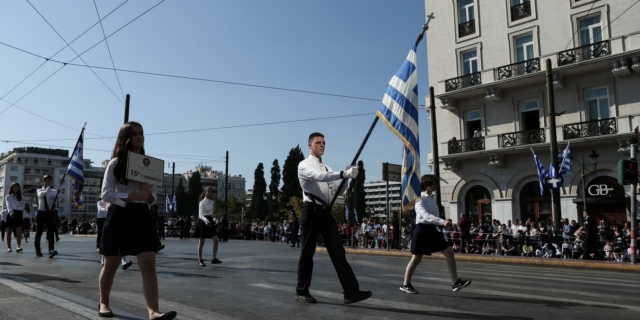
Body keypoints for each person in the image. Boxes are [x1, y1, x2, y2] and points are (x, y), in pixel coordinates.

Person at [98, 121, 176, 319]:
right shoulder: (115, 163)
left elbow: (153, 198)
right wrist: (132, 196)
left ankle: (153, 312)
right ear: (126, 138)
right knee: (111, 264)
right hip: (119, 215)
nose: (139, 137)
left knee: (149, 263)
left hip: (142, 216)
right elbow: (106, 194)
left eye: (141, 133)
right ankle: (104, 303)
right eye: (134, 134)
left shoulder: (149, 165)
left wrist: (148, 194)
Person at [295, 132, 371, 304]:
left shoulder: (327, 167)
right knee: (307, 252)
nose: (322, 145)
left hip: (325, 214)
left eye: (324, 143)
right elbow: (319, 177)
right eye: (318, 142)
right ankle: (301, 290)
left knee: (338, 252)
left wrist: (348, 178)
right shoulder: (304, 165)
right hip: (311, 211)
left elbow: (337, 191)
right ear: (310, 146)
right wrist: (344, 173)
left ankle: (351, 292)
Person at [400, 175, 472, 294]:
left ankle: (455, 282)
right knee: (416, 258)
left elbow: (433, 216)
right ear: (425, 185)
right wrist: (442, 221)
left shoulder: (432, 199)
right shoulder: (420, 199)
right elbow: (426, 216)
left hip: (431, 229)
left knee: (449, 251)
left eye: (435, 183)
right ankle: (405, 284)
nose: (435, 185)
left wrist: (443, 221)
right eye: (432, 183)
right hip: (421, 230)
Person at [196, 187, 222, 266]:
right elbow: (200, 215)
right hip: (203, 221)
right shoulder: (202, 202)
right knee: (202, 242)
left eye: (211, 192)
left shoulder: (212, 202)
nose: (210, 193)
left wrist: (214, 220)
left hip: (210, 220)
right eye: (209, 192)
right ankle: (200, 260)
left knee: (216, 239)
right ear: (205, 193)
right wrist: (206, 221)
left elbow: (210, 213)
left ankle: (214, 258)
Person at [35, 175, 59, 258]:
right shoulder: (39, 190)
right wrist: (47, 189)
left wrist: (59, 194)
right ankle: (38, 249)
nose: (49, 181)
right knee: (39, 232)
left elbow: (58, 199)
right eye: (47, 179)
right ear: (43, 181)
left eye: (50, 180)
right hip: (41, 212)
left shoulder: (54, 191)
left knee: (50, 232)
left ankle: (51, 249)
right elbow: (41, 195)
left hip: (50, 213)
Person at [5, 182, 25, 252]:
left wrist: (23, 215)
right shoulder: (8, 196)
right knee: (9, 231)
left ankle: (18, 246)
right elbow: (8, 205)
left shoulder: (22, 197)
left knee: (19, 231)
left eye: (17, 187)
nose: (15, 188)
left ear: (19, 188)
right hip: (11, 213)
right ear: (12, 188)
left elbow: (22, 207)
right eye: (14, 187)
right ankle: (9, 247)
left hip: (19, 214)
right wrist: (10, 212)